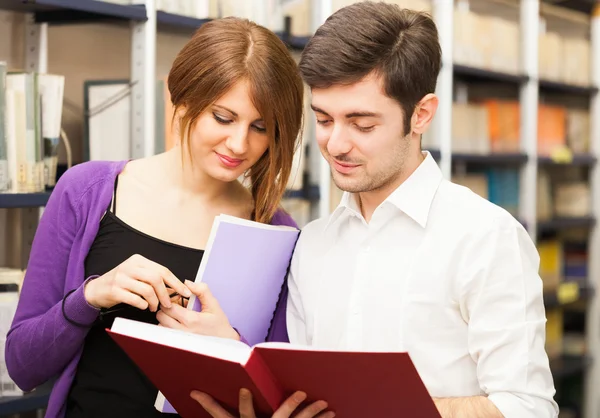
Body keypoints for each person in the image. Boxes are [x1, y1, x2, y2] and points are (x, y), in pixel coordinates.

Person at [193, 3, 559, 418]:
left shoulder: (486, 237)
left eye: (362, 124)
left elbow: (527, 406)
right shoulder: (312, 244)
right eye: (324, 119)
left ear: (421, 115)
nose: (336, 145)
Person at [5, 17, 330, 418]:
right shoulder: (87, 192)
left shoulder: (276, 233)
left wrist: (230, 344)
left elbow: (279, 401)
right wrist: (89, 297)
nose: (240, 143)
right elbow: (23, 365)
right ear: (182, 100)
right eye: (223, 118)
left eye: (260, 127)